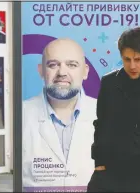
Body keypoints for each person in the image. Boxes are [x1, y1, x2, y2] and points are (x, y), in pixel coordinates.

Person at [87, 27, 140, 192]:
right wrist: (98, 163)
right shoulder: (108, 83)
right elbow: (100, 124)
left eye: (138, 59)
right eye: (127, 59)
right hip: (108, 171)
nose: (132, 65)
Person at [22, 38, 97, 192]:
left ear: (85, 71)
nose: (62, 72)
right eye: (53, 64)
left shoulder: (107, 113)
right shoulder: (20, 115)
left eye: (72, 65)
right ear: (41, 70)